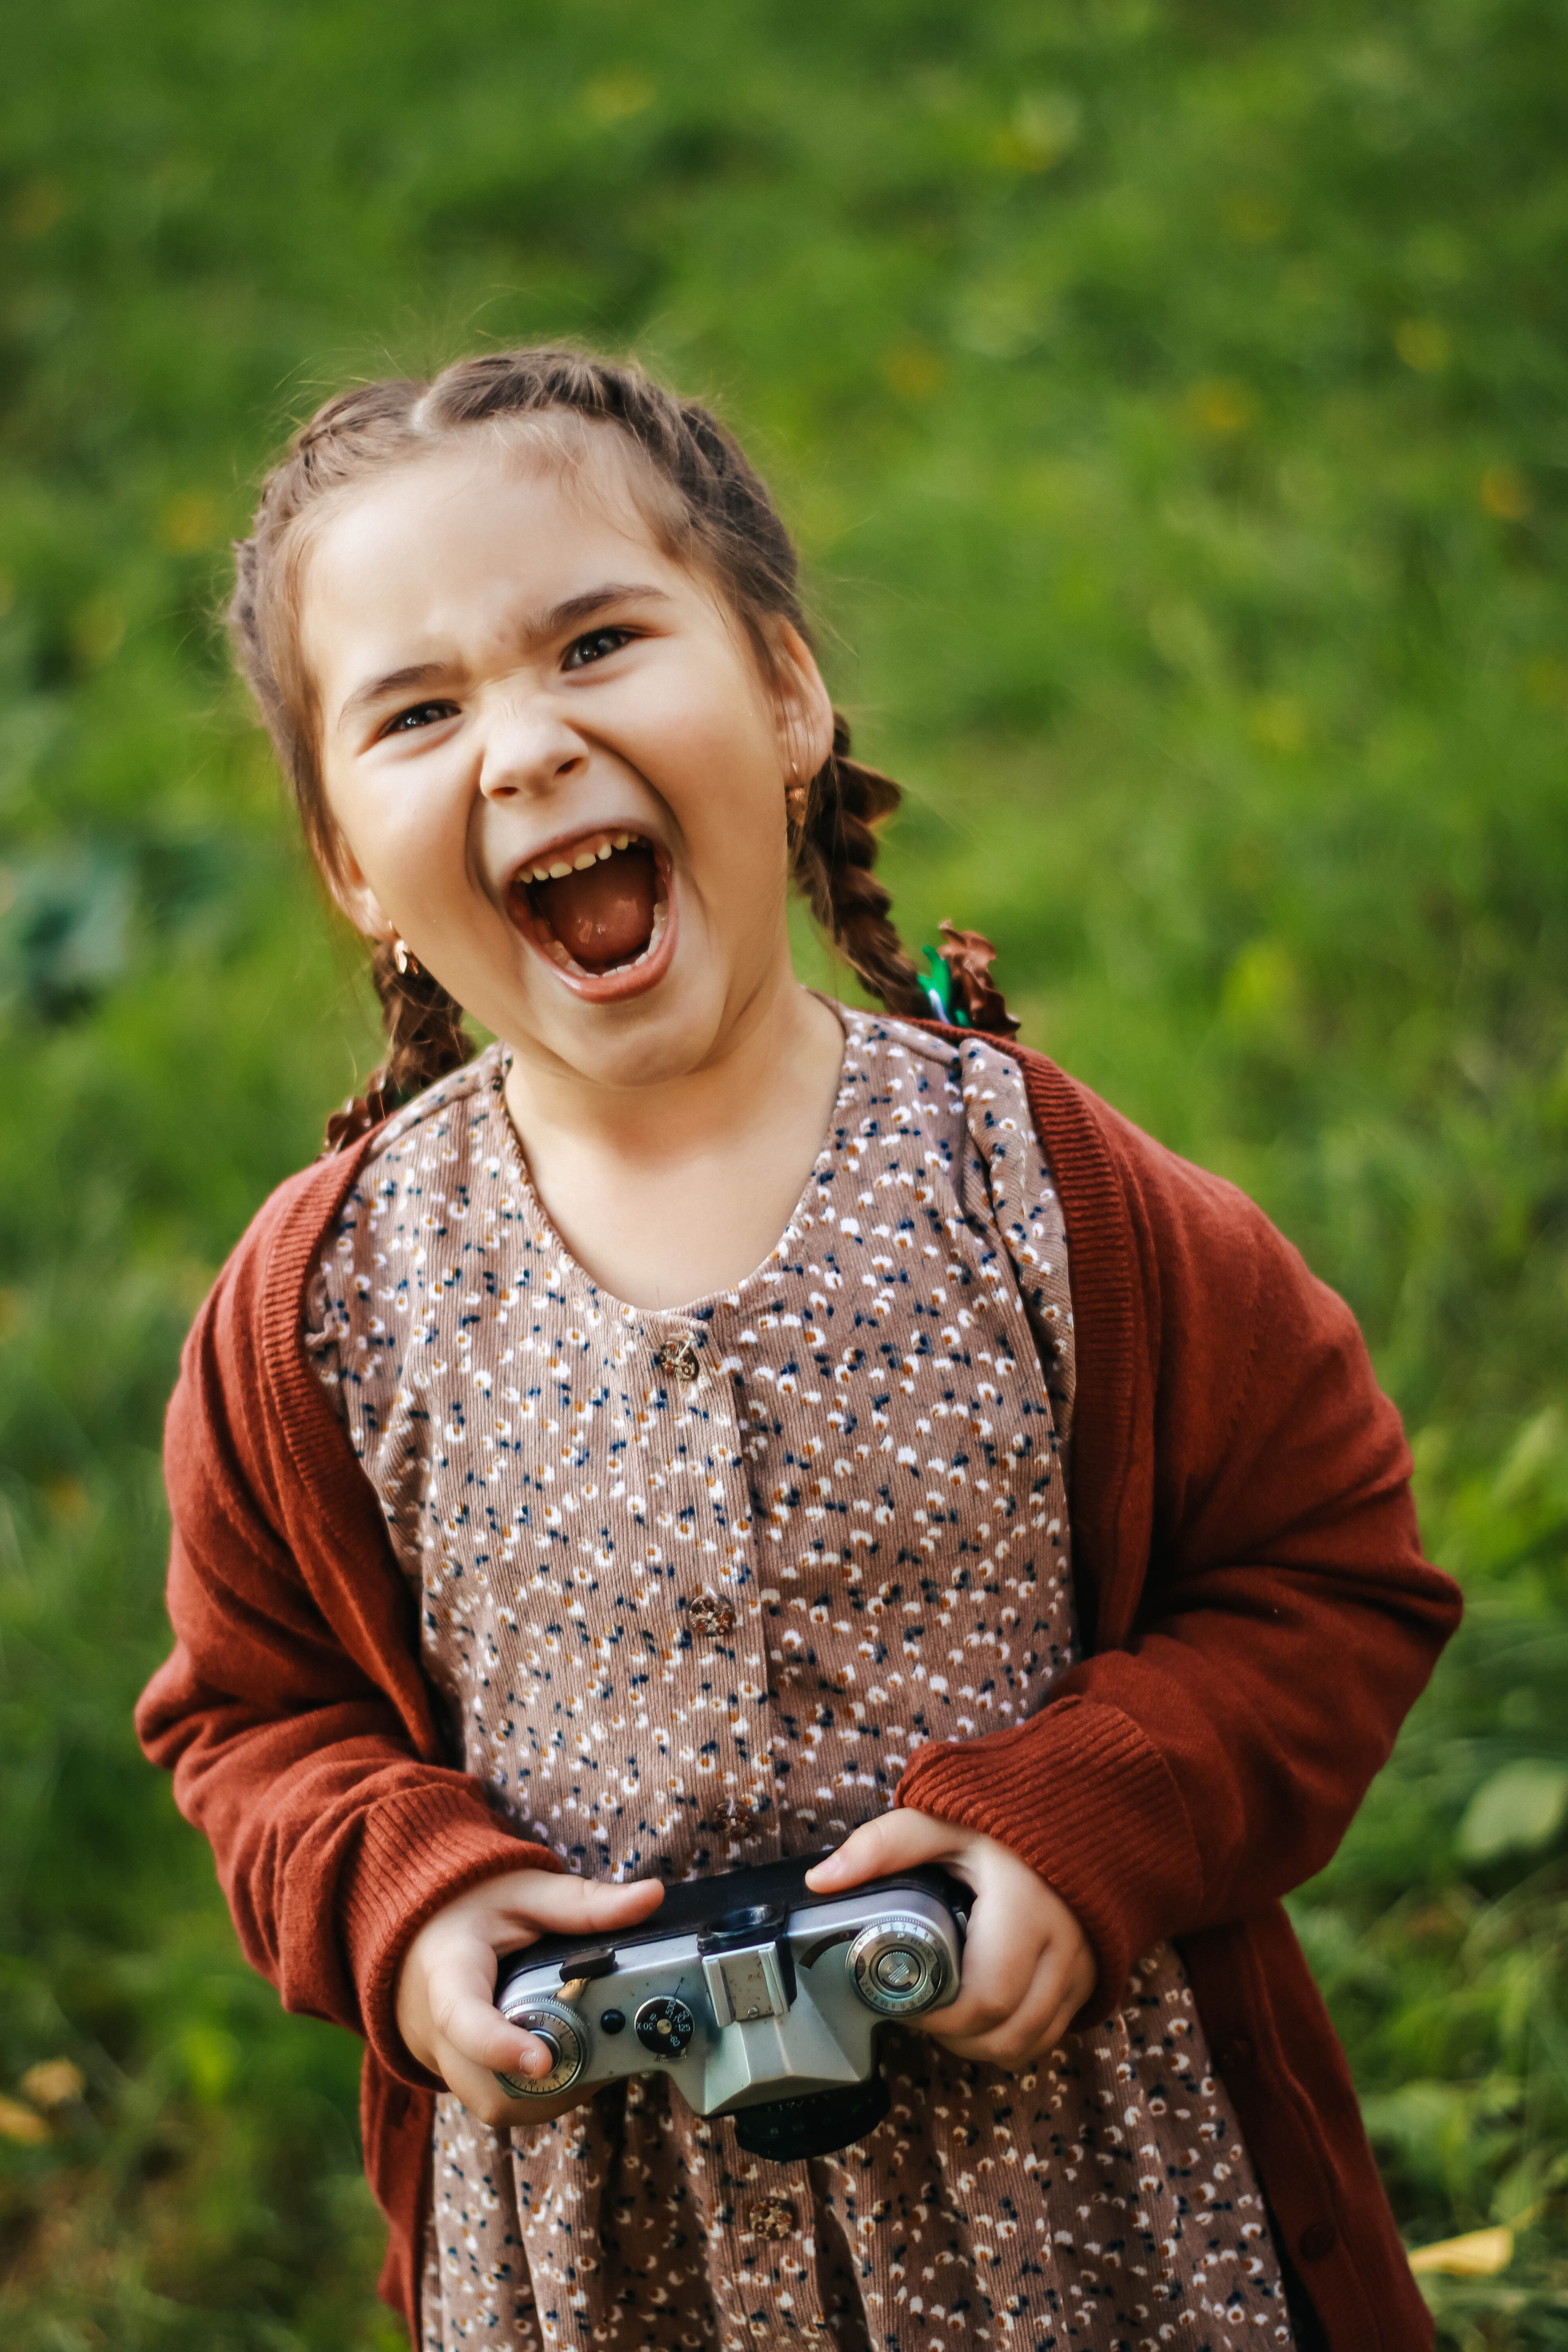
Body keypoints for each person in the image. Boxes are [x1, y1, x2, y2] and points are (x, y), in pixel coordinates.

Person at [137, 347, 1461, 2352]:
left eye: (596, 643)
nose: (527, 748)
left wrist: (1093, 1821)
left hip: (1085, 2204)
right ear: (348, 866)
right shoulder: (328, 1313)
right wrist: (402, 1900)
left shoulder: (1048, 1199)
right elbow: (253, 1721)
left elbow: (1331, 1579)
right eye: (418, 711)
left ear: (783, 697)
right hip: (614, 2248)